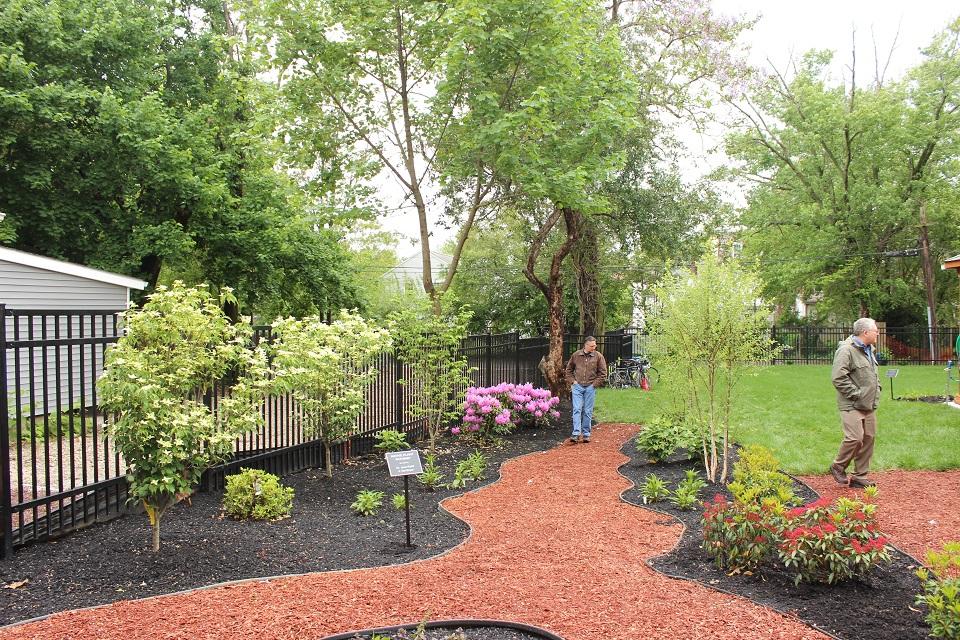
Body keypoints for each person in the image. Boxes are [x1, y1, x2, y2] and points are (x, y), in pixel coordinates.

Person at [829, 317, 881, 488]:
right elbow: (838, 377)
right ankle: (838, 465)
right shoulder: (846, 350)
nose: (878, 333)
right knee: (855, 438)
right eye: (875, 330)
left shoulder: (869, 350)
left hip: (869, 404)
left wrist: (876, 389)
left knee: (868, 438)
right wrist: (857, 395)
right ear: (865, 332)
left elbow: (872, 374)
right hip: (852, 403)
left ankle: (860, 476)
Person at [565, 336, 607, 444]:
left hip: (590, 387)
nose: (594, 347)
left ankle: (586, 435)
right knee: (577, 409)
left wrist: (594, 385)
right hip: (577, 386)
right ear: (586, 345)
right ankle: (576, 433)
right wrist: (573, 382)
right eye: (592, 345)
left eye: (595, 345)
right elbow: (568, 370)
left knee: (587, 411)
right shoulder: (576, 355)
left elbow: (603, 373)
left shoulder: (598, 356)